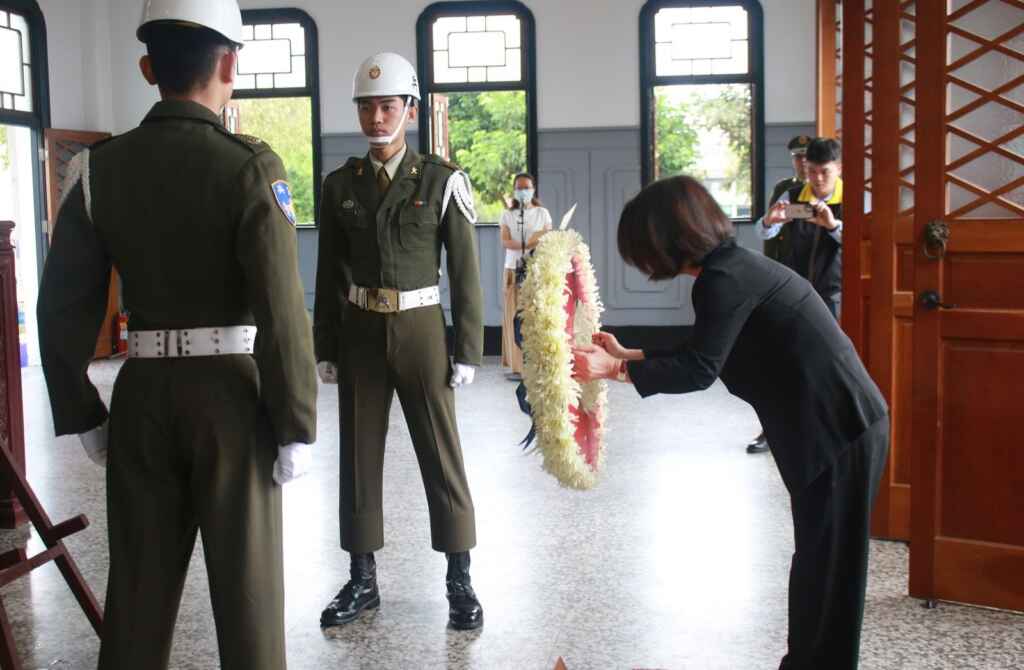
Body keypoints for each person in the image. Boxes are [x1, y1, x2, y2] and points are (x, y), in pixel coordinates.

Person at [36, 1, 318, 667]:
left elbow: (62, 305)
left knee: (137, 594)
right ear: (229, 64)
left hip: (142, 394)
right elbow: (281, 309)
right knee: (248, 600)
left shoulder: (97, 169)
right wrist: (295, 420)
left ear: (146, 67)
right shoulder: (251, 166)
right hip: (230, 398)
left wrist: (81, 408)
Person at [572, 176, 888, 670]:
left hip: (839, 428)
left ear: (666, 238)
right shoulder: (731, 270)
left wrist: (613, 368)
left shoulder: (724, 279)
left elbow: (698, 370)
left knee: (829, 573)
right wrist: (628, 353)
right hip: (835, 425)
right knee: (820, 568)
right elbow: (711, 351)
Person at [313, 52, 485, 631]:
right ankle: (362, 579)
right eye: (367, 106)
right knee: (358, 454)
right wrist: (326, 344)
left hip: (420, 331)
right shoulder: (341, 184)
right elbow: (329, 273)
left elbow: (465, 272)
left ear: (410, 111)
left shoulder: (440, 180)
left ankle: (459, 579)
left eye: (388, 106)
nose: (376, 117)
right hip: (361, 330)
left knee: (441, 452)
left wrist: (466, 350)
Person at [747, 134, 811, 454]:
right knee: (774, 361)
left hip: (820, 289)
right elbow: (765, 230)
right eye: (797, 157)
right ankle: (771, 429)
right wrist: (773, 220)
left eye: (807, 157)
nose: (801, 163)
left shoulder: (833, 192)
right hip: (783, 285)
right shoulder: (785, 188)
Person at [757, 137, 844, 319]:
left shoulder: (851, 198)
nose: (818, 179)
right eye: (812, 171)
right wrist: (768, 222)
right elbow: (763, 232)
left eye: (825, 172)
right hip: (796, 288)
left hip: (836, 293)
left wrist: (832, 226)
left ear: (839, 168)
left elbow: (861, 243)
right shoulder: (793, 195)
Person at [500, 173, 552, 381]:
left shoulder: (542, 213)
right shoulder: (507, 214)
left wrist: (530, 244)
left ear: (533, 189)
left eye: (527, 187)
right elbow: (506, 242)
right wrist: (530, 243)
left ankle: (537, 364)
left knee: (536, 316)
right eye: (519, 188)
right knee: (513, 316)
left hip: (535, 268)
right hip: (513, 269)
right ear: (514, 190)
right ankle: (517, 366)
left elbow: (547, 238)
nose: (523, 191)